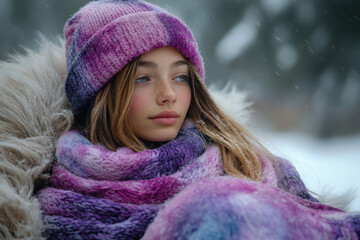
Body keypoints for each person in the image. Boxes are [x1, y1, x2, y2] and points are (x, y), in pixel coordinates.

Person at [0, 0, 359, 239]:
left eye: (180, 76)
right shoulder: (48, 204)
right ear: (101, 94)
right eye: (143, 78)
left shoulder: (246, 164)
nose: (169, 94)